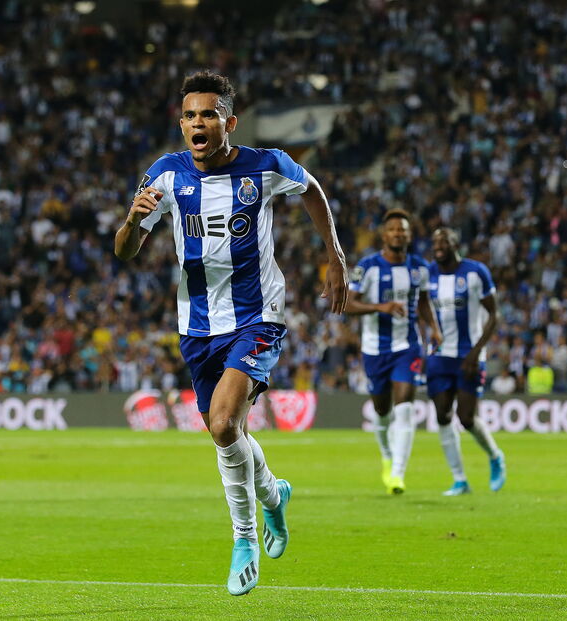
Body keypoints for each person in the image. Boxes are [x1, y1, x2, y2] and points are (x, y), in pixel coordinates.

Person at [115, 71, 348, 596]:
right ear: (182, 125)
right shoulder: (165, 175)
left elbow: (312, 189)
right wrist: (132, 221)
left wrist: (334, 256)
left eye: (209, 114)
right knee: (230, 432)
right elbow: (125, 251)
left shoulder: (263, 166)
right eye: (191, 115)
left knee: (222, 426)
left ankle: (243, 540)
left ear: (229, 122)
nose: (199, 123)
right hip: (197, 325)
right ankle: (273, 494)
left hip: (257, 314)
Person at [344, 209, 442, 494]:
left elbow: (423, 302)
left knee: (405, 409)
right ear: (384, 235)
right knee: (382, 411)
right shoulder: (368, 267)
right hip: (375, 349)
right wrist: (380, 307)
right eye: (394, 230)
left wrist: (433, 328)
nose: (399, 233)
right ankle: (387, 456)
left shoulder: (419, 268)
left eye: (403, 230)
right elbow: (348, 305)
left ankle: (398, 474)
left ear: (409, 235)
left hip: (408, 347)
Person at [426, 228, 506, 496]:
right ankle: (460, 480)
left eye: (444, 241)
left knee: (467, 417)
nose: (439, 246)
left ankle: (495, 456)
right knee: (442, 415)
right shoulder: (428, 273)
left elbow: (494, 315)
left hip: (469, 355)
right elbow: (422, 310)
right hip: (439, 355)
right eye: (435, 242)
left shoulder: (475, 272)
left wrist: (476, 352)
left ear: (455, 244)